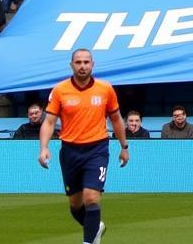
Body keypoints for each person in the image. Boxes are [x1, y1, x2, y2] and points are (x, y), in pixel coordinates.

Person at [38, 49, 128, 244]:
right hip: (70, 151)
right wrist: (43, 147)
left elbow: (116, 119)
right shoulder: (60, 90)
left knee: (91, 198)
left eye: (86, 62)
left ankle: (88, 241)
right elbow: (49, 122)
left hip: (97, 149)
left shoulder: (105, 89)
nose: (82, 66)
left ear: (92, 64)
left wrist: (124, 146)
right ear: (71, 65)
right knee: (75, 205)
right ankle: (96, 227)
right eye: (78, 62)